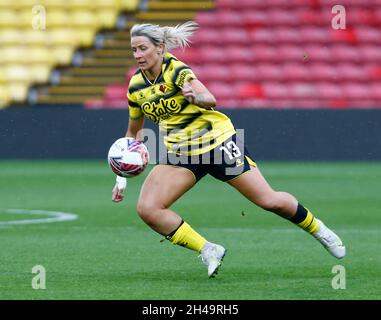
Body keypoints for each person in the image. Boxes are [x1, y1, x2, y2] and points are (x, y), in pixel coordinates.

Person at [111, 21, 346, 278]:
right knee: (148, 209)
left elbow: (209, 99)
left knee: (269, 201)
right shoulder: (135, 86)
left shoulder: (176, 70)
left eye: (143, 48)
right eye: (134, 50)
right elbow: (133, 133)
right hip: (179, 153)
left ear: (160, 48)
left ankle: (318, 229)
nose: (138, 55)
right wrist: (120, 179)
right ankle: (208, 249)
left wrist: (196, 97)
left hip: (217, 143)